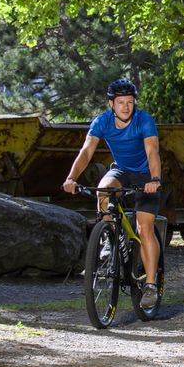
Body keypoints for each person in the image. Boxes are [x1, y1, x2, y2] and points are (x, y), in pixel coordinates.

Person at [63, 79, 163, 308]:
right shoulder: (102, 122)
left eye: (130, 102)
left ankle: (150, 285)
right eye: (120, 102)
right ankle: (108, 238)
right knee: (103, 191)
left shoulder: (144, 120)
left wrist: (155, 179)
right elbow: (86, 151)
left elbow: (152, 151)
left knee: (144, 226)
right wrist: (71, 178)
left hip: (147, 174)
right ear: (111, 104)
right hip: (121, 170)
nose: (126, 107)